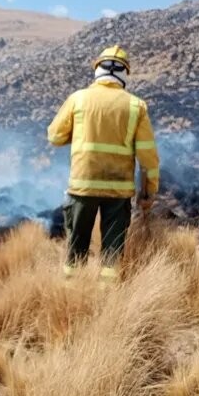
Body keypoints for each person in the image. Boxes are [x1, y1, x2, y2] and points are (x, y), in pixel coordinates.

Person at [47, 45, 160, 282]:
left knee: (76, 251)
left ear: (97, 69)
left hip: (82, 187)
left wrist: (78, 134)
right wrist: (148, 193)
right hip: (118, 191)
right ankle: (107, 301)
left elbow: (55, 137)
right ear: (124, 73)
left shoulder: (78, 99)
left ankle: (71, 297)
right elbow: (148, 158)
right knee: (112, 254)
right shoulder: (135, 106)